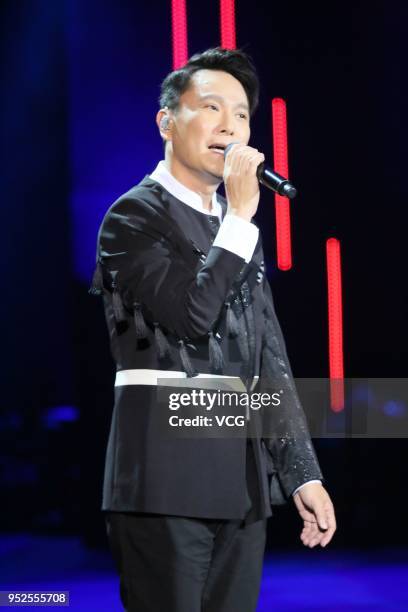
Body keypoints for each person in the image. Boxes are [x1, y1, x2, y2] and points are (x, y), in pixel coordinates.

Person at [90, 47, 336, 612]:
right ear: (166, 122)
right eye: (211, 107)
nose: (231, 125)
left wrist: (300, 474)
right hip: (163, 484)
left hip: (242, 488)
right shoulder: (132, 217)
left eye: (243, 114)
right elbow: (191, 319)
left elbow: (267, 355)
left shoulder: (236, 231)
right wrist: (242, 219)